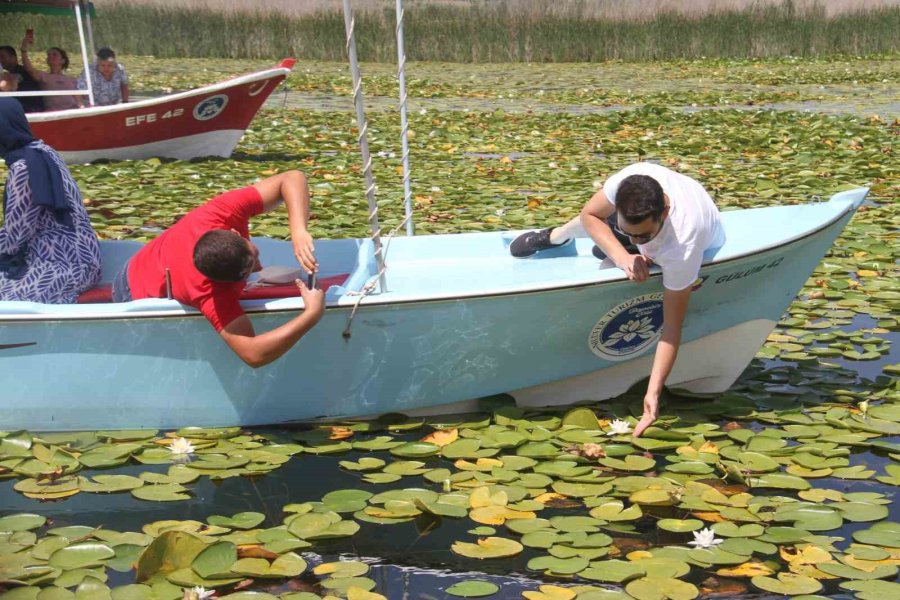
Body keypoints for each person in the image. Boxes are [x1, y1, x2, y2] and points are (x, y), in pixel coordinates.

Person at [510, 162, 725, 437]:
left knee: (634, 250)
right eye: (629, 233)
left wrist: (653, 392)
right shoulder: (630, 179)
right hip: (644, 224)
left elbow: (671, 327)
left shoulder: (682, 246)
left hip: (695, 236)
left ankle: (619, 246)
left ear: (665, 213)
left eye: (642, 236)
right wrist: (623, 255)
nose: (636, 240)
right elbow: (590, 214)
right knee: (603, 225)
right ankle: (556, 237)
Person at [113, 171, 325, 368]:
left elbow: (292, 178)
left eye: (253, 252)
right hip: (133, 295)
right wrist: (312, 314)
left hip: (141, 264)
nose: (259, 264)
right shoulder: (210, 294)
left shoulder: (220, 214)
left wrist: (298, 231)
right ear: (227, 284)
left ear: (234, 232)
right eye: (253, 265)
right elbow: (254, 354)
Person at [0, 98, 101, 303]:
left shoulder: (23, 169)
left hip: (59, 264)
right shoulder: (44, 151)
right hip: (85, 259)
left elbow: (16, 236)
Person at [20, 34, 79, 111]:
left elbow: (78, 98)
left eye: (54, 54)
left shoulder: (71, 79)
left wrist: (81, 107)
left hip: (73, 111)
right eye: (48, 55)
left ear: (63, 60)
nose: (50, 56)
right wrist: (24, 49)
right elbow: (29, 69)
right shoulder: (44, 76)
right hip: (53, 113)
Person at [0, 45, 43, 113]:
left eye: (2, 56)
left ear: (13, 57)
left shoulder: (21, 71)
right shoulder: (10, 73)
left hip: (30, 109)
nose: (0, 60)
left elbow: (8, 86)